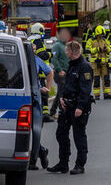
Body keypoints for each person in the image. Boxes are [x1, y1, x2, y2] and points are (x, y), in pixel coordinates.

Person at [48, 40, 93, 175]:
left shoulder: (85, 67)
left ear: (72, 52)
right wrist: (62, 97)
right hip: (66, 106)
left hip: (78, 107)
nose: (65, 52)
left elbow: (85, 89)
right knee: (61, 134)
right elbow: (66, 84)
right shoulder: (71, 65)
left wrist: (80, 107)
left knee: (79, 136)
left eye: (67, 50)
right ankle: (63, 163)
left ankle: (80, 165)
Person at [29, 53, 54, 171]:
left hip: (35, 96)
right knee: (25, 129)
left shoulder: (34, 58)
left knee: (34, 128)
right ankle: (42, 151)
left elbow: (49, 72)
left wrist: (48, 88)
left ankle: (33, 160)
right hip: (20, 95)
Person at [86, 25, 111, 100]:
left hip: (105, 63)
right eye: (100, 35)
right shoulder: (91, 40)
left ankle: (107, 94)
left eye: (102, 35)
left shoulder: (104, 40)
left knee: (106, 79)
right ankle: (97, 95)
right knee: (96, 79)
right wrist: (96, 49)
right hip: (95, 64)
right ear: (97, 33)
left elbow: (110, 47)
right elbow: (87, 50)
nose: (101, 36)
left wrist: (107, 49)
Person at [49, 27, 70, 118]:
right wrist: (59, 70)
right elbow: (54, 58)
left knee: (60, 94)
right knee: (62, 93)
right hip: (60, 73)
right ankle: (62, 113)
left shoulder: (65, 45)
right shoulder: (57, 45)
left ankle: (52, 112)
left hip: (66, 72)